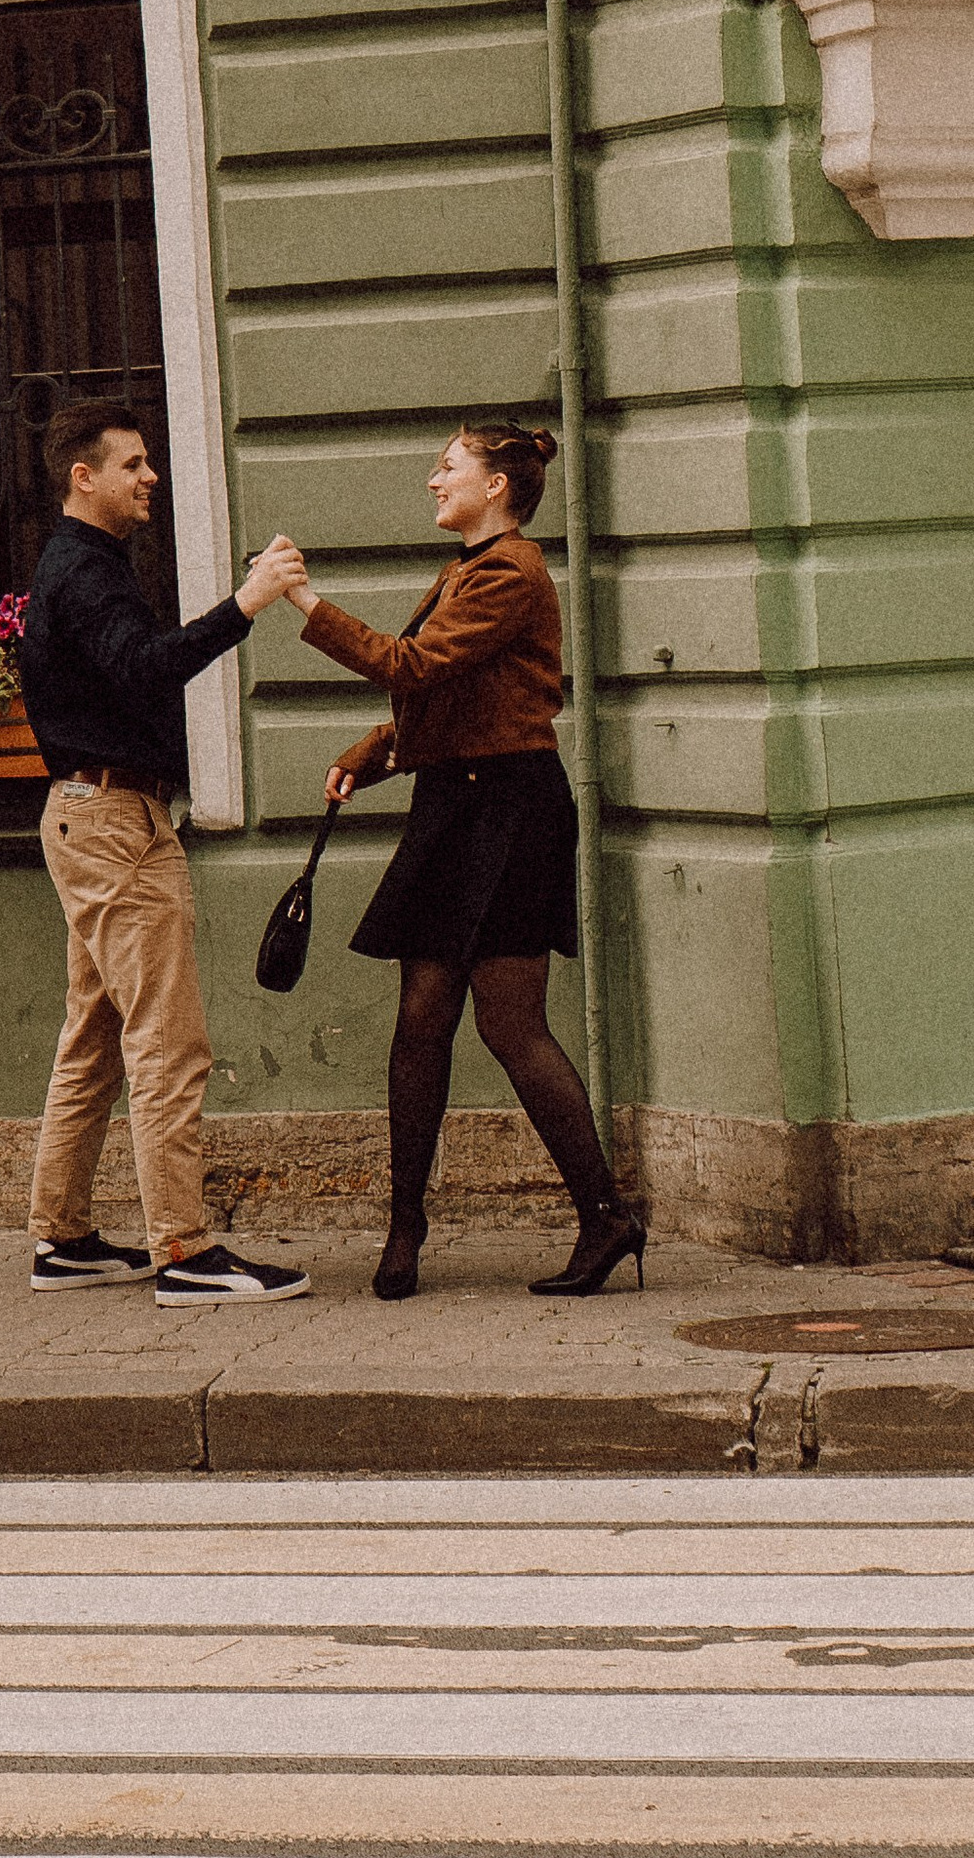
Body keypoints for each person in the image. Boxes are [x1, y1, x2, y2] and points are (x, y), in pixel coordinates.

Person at [257, 417, 645, 1302]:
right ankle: (406, 1228)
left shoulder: (510, 572)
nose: (434, 481)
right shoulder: (470, 569)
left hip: (509, 810)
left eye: (449, 467)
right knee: (422, 1016)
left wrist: (303, 602)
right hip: (457, 804)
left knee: (510, 1025)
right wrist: (374, 752)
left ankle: (604, 1217)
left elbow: (414, 665)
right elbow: (460, 698)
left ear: (496, 486)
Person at [19, 398, 310, 1307]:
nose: (151, 477)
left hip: (90, 816)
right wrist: (247, 604)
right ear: (84, 477)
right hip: (116, 825)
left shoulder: (82, 563)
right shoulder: (86, 572)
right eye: (133, 464)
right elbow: (148, 666)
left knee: (97, 1038)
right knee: (167, 1042)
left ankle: (62, 1238)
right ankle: (184, 1250)